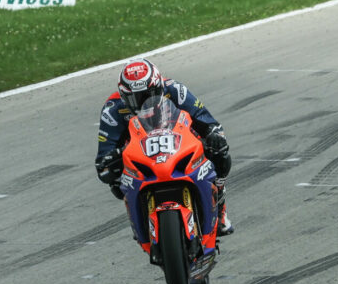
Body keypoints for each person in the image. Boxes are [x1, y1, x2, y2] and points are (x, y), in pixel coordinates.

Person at [94, 58, 234, 235]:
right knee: (113, 182)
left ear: (159, 86)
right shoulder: (112, 109)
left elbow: (207, 120)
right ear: (123, 96)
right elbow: (103, 157)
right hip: (139, 155)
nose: (143, 102)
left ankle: (220, 208)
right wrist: (110, 162)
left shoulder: (176, 90)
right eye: (135, 98)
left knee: (220, 152)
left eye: (149, 94)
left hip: (178, 144)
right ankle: (141, 223)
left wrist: (214, 135)